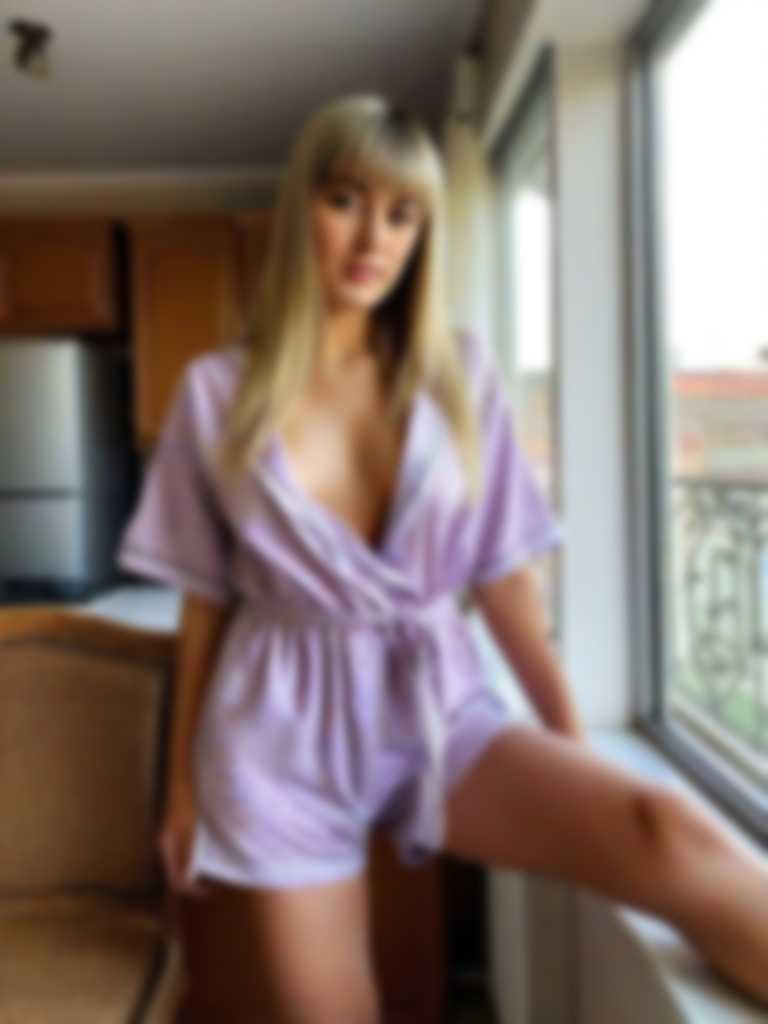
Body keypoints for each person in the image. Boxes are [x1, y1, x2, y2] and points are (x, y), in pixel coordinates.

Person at [116, 93, 768, 1021]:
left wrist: (571, 747)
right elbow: (204, 600)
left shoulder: (457, 374)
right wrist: (181, 790)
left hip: (442, 705)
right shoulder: (217, 393)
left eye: (403, 214)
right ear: (303, 207)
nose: (372, 238)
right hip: (276, 740)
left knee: (664, 828)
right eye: (346, 201)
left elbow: (503, 581)